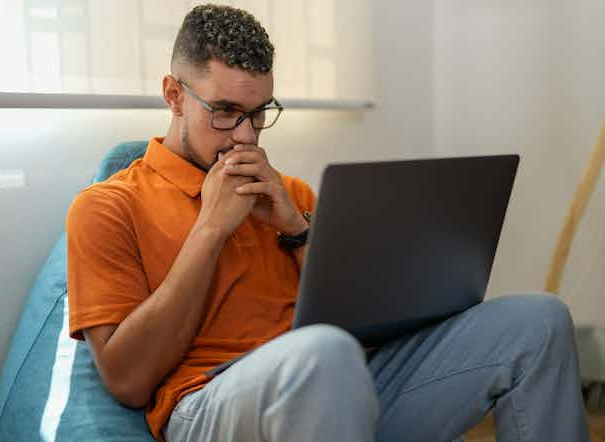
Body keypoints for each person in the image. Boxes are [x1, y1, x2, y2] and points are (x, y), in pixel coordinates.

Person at [66, 4, 589, 442]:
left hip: (342, 384)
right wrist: (210, 229)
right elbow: (129, 381)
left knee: (538, 321)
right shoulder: (108, 206)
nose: (245, 137)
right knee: (324, 353)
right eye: (224, 112)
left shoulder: (290, 194)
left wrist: (297, 227)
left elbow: (359, 331)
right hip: (208, 401)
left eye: (259, 113)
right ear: (174, 95)